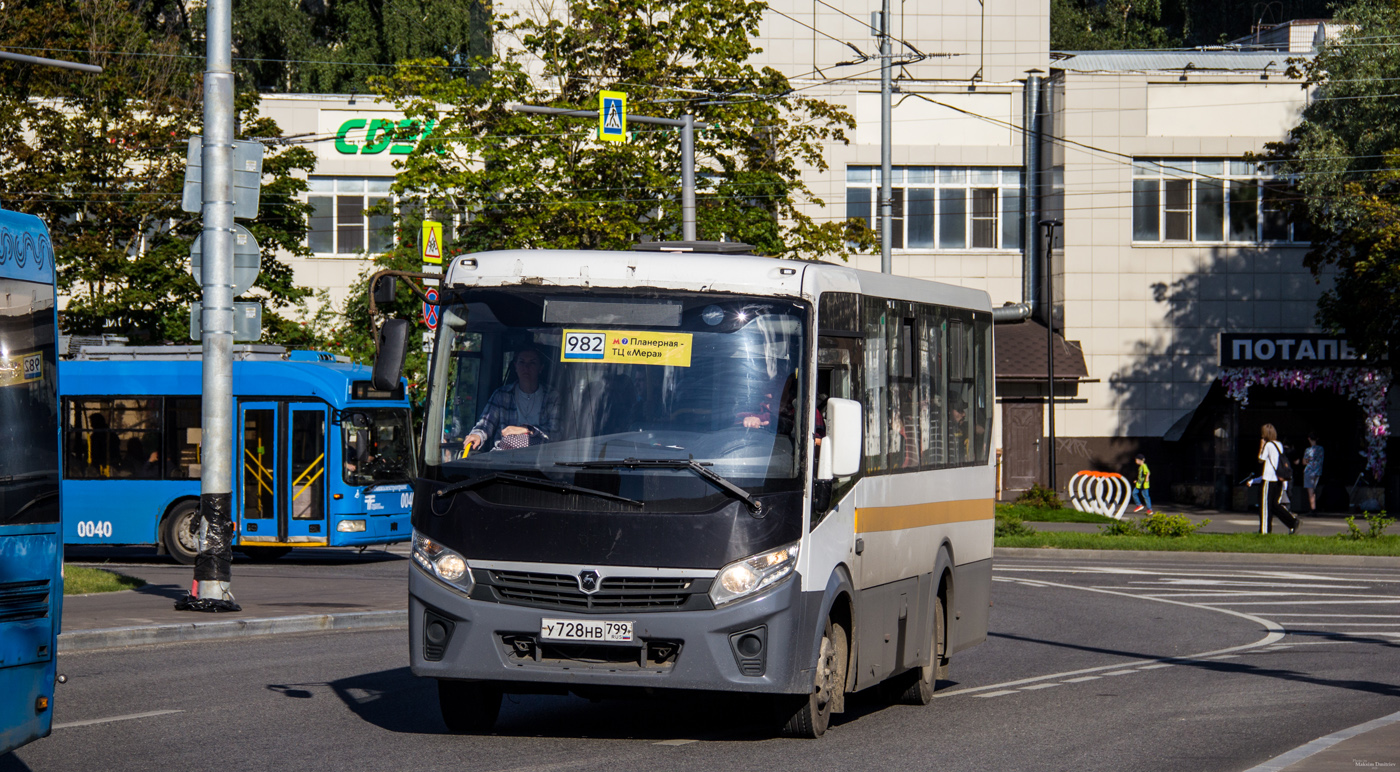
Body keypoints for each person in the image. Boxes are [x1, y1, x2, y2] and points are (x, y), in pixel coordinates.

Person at [463, 347, 558, 452]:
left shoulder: (552, 397)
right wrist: (477, 436)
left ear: (541, 368)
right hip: (504, 458)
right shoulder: (502, 395)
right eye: (521, 362)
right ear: (515, 366)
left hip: (540, 459)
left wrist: (527, 430)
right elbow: (485, 424)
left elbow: (555, 433)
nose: (526, 367)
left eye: (532, 363)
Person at [1247, 423, 1299, 535]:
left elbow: (1261, 459)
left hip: (1269, 479)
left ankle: (1264, 531)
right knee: (1275, 505)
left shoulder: (1268, 445)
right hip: (1279, 480)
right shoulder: (1279, 444)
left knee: (1265, 505)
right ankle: (1292, 522)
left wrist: (1261, 445)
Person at [1303, 433, 1324, 514]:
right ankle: (1314, 507)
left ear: (1309, 439)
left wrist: (1308, 460)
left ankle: (1312, 509)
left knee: (1310, 491)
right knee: (1314, 490)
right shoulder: (1321, 449)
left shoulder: (1308, 450)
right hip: (1318, 471)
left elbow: (1304, 462)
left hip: (1309, 471)